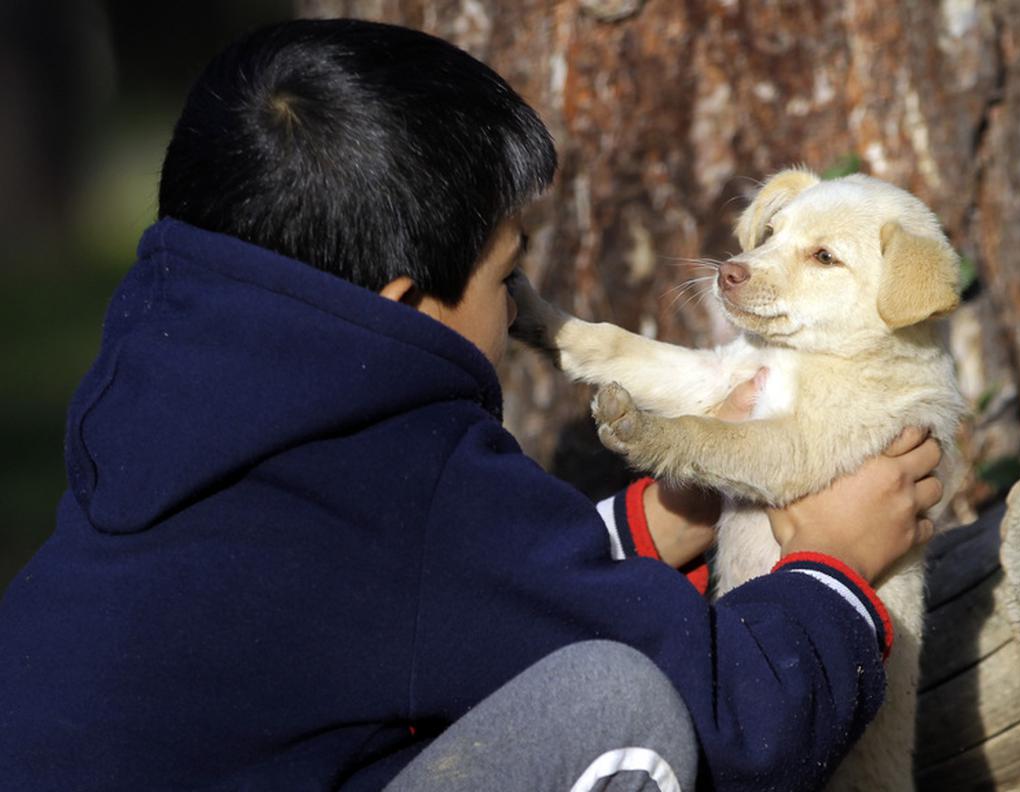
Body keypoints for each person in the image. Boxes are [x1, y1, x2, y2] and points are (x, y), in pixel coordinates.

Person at [0, 18, 943, 792]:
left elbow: (449, 602)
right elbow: (744, 727)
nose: (517, 309)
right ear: (409, 303)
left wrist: (652, 527)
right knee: (618, 710)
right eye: (509, 277)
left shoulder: (172, 403)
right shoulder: (411, 477)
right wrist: (834, 568)